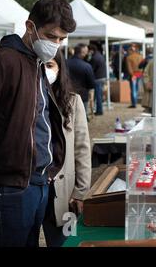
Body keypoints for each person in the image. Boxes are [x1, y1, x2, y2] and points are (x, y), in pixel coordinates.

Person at [0, 0, 75, 247]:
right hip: (11, 187)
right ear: (30, 27)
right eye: (52, 37)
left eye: (62, 39)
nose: (57, 44)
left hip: (40, 182)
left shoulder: (37, 65)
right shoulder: (5, 60)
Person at [41, 52, 91, 247]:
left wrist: (80, 192)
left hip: (65, 190)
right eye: (41, 65)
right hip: (33, 187)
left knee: (65, 241)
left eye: (50, 65)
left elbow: (82, 148)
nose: (45, 70)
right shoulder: (26, 100)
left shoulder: (73, 101)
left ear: (60, 68)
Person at [67, 44, 96, 116]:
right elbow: (91, 84)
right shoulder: (87, 66)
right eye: (86, 51)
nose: (87, 53)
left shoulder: (64, 63)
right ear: (82, 53)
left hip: (66, 94)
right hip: (82, 96)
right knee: (81, 119)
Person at [89, 43, 107, 115]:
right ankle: (98, 109)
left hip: (97, 78)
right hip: (102, 77)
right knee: (99, 95)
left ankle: (99, 111)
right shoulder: (100, 55)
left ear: (91, 50)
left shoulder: (94, 57)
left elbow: (91, 69)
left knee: (98, 95)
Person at [125, 44, 144, 108]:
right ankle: (134, 102)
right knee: (136, 89)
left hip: (133, 74)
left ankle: (134, 103)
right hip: (139, 74)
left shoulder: (129, 57)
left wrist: (132, 75)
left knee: (133, 89)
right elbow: (142, 67)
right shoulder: (141, 57)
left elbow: (129, 68)